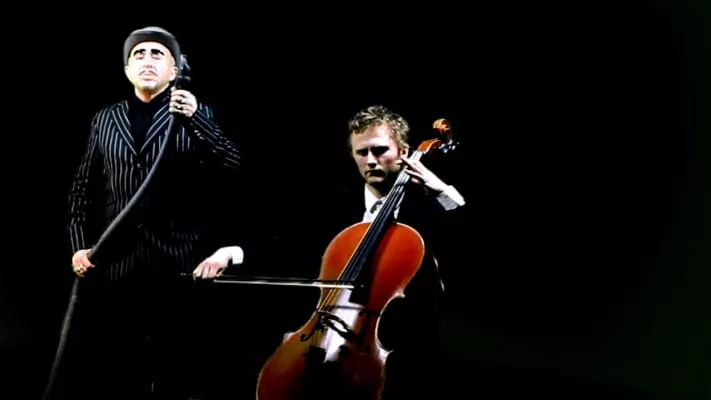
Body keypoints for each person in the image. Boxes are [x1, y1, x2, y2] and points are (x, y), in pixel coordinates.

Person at [197, 104, 466, 398]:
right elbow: (288, 244)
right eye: (362, 153)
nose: (370, 161)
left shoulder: (427, 206)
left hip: (402, 341)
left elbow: (468, 239)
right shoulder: (338, 204)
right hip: (324, 332)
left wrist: (440, 190)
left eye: (380, 151)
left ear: (403, 152)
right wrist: (230, 253)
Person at [57, 26, 242, 400]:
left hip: (177, 262)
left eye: (158, 53)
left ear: (176, 69)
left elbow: (232, 166)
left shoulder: (195, 114)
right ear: (127, 69)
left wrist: (196, 118)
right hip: (117, 266)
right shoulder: (105, 119)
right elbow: (81, 190)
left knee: (175, 370)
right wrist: (79, 247)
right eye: (138, 54)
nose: (147, 60)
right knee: (120, 372)